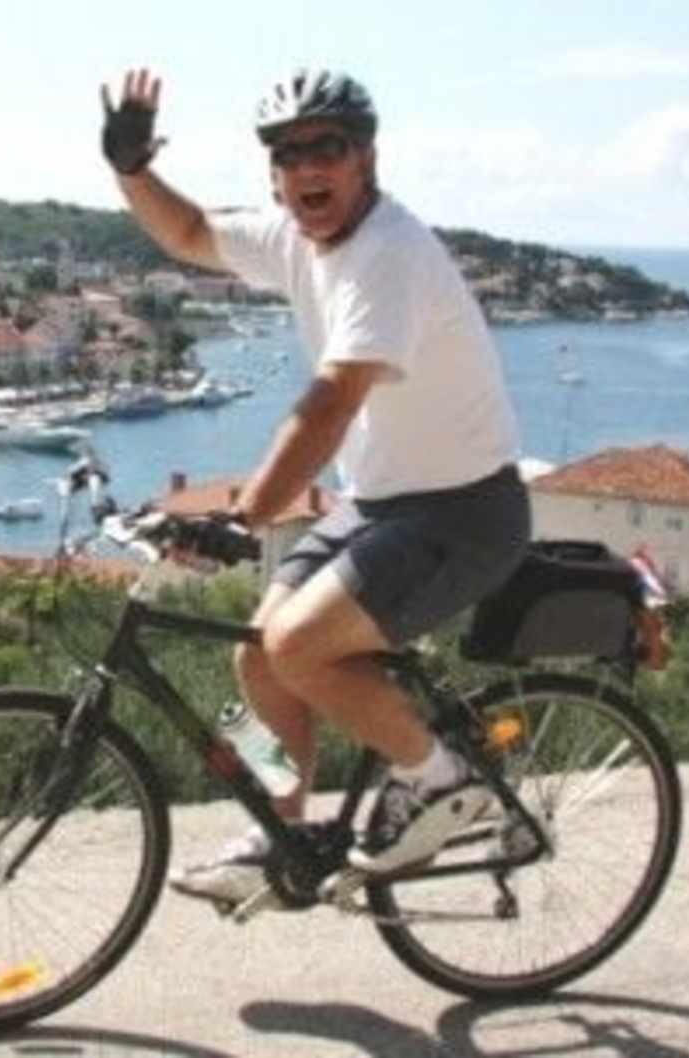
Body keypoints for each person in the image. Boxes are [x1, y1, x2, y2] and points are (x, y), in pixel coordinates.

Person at [100, 66, 531, 908]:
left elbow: (331, 403)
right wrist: (130, 169)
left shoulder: (388, 255)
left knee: (298, 645)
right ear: (275, 171)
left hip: (464, 512)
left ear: (365, 156)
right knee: (256, 654)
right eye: (288, 153)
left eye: (325, 147)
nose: (306, 168)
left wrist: (244, 514)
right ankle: (280, 832)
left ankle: (442, 780)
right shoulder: (295, 238)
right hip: (378, 504)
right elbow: (188, 232)